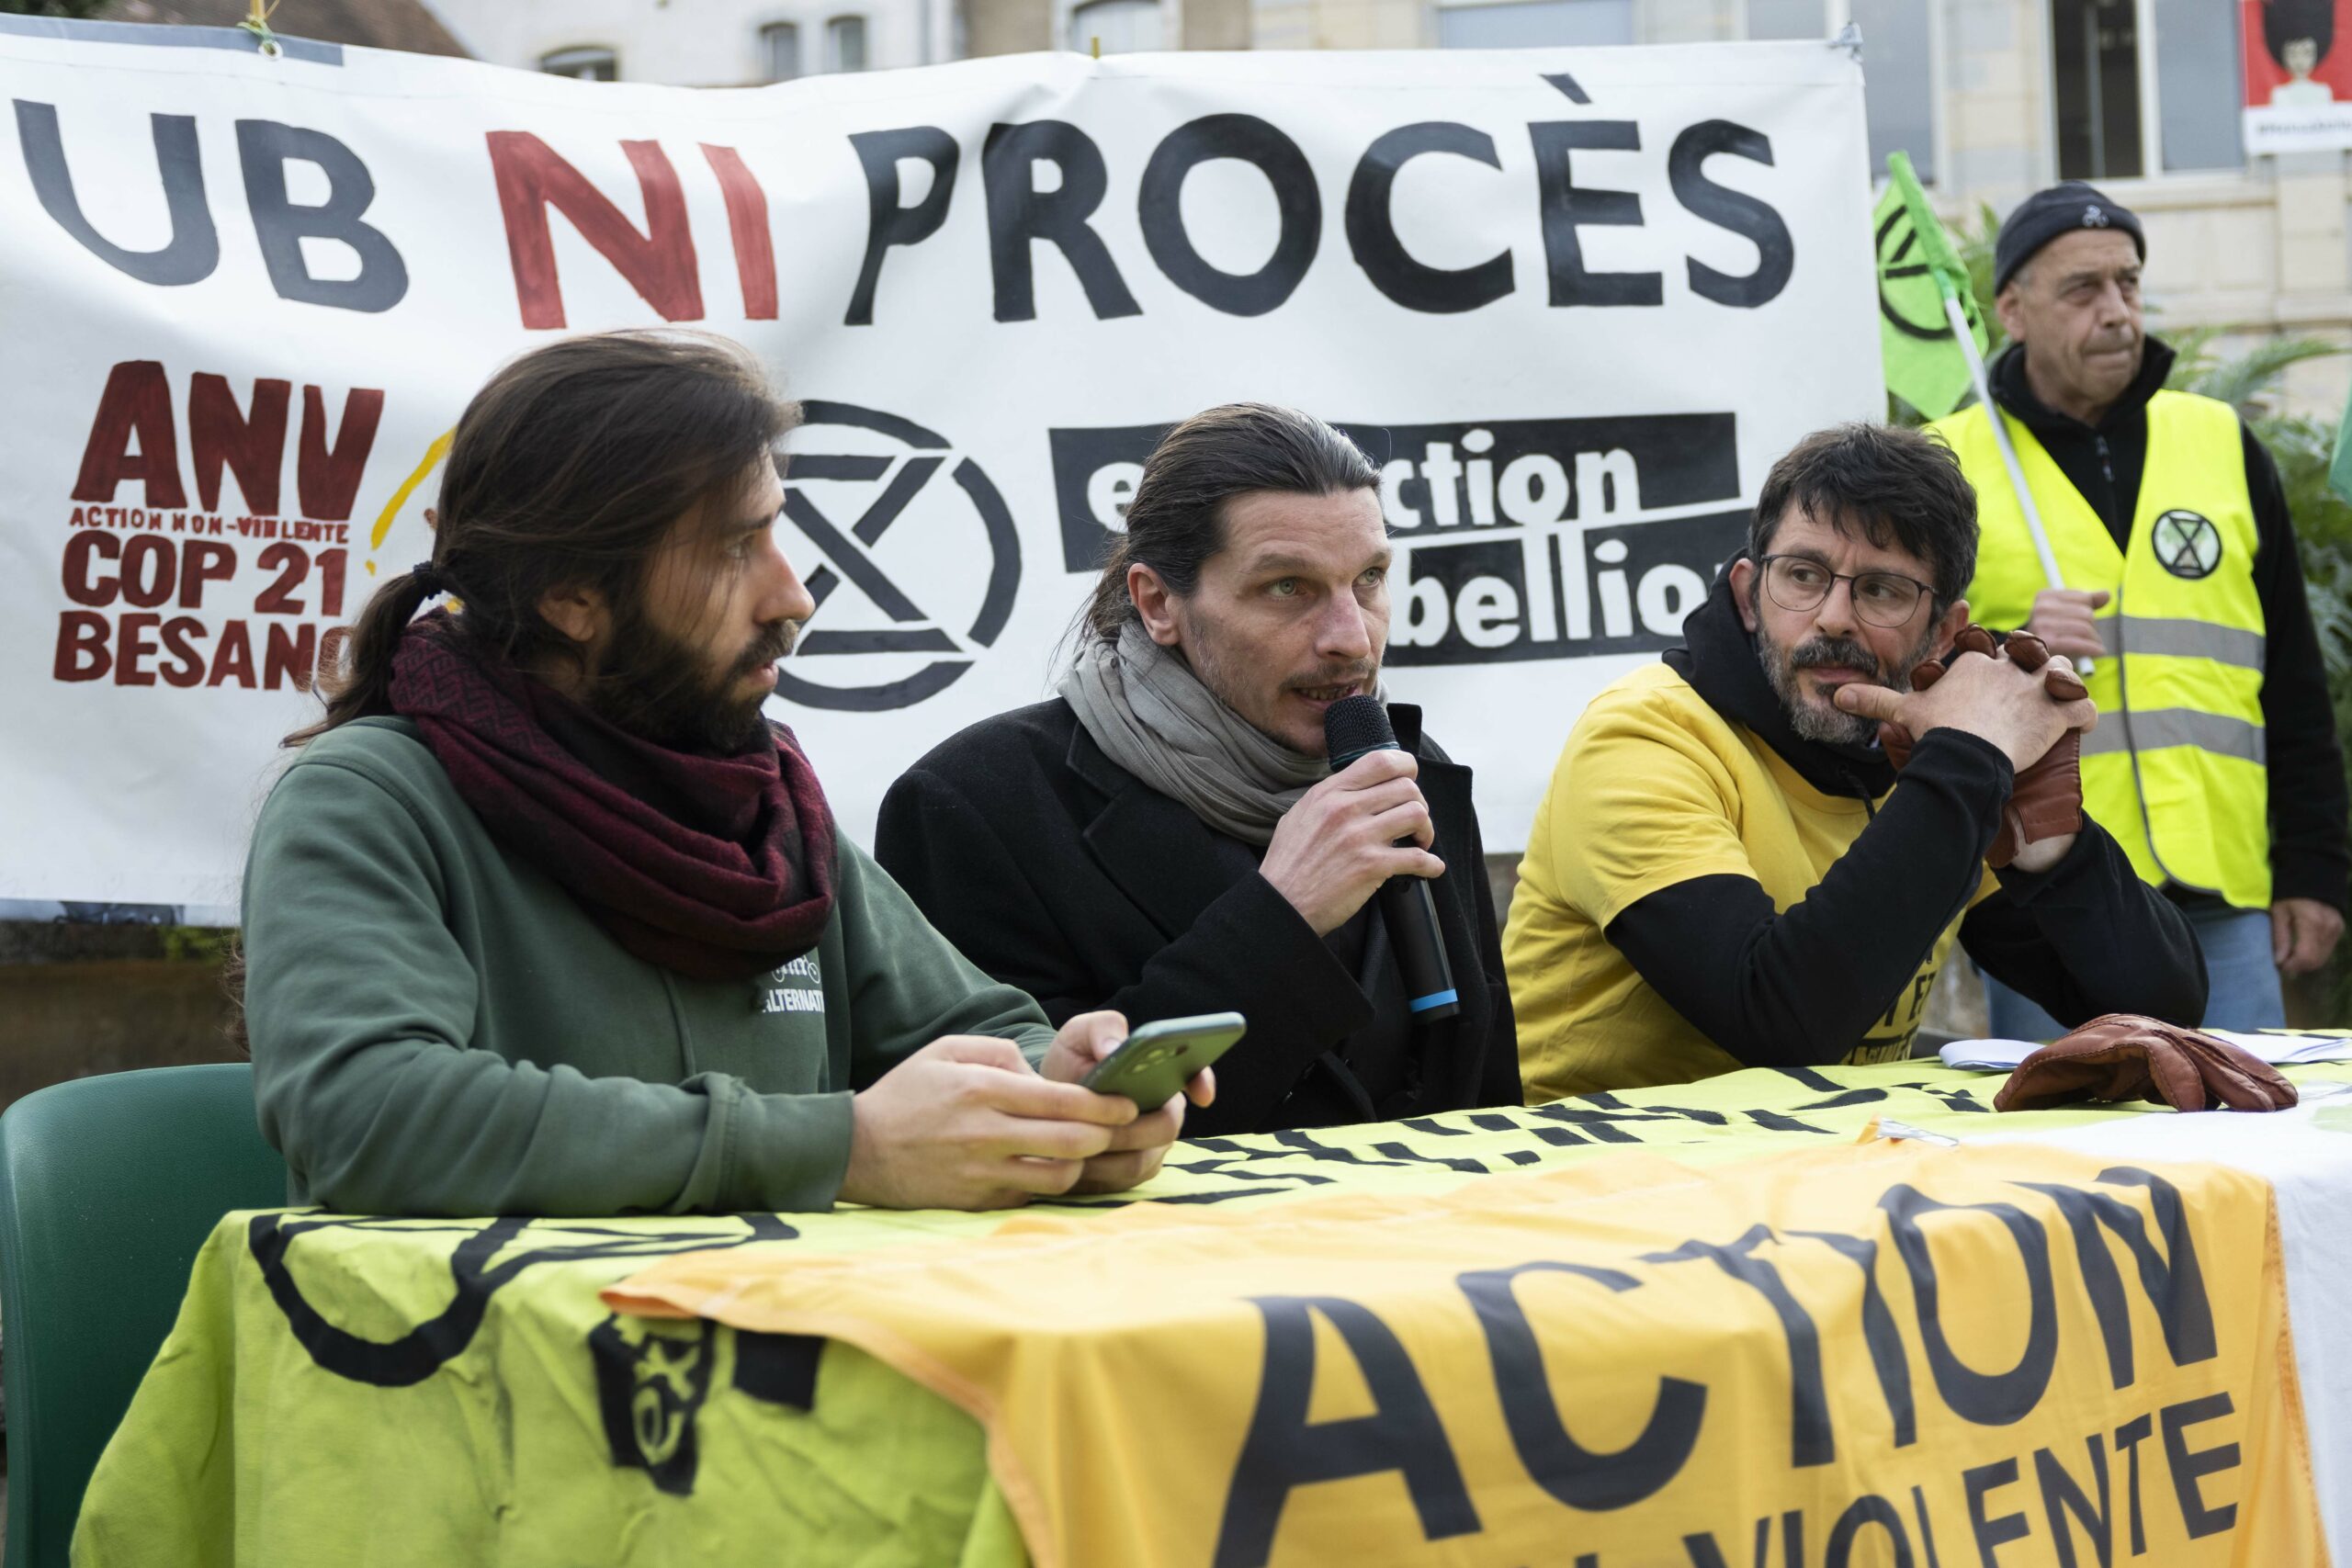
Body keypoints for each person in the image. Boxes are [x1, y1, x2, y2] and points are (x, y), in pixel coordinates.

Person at [240, 332, 1204, 1217]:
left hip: (786, 1365)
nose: (793, 593)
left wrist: (1061, 1102)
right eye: (734, 548)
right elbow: (367, 1116)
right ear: (570, 596)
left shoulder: (762, 802)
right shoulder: (370, 801)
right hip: (487, 1380)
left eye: (774, 534)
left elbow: (976, 1024)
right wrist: (842, 1147)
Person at [1504, 423, 2207, 1099]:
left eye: (1881, 589)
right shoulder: (1644, 736)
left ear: (1944, 634)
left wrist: (2052, 846)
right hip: (1582, 1190)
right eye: (1804, 575)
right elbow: (1775, 1021)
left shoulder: (1925, 756)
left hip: (1812, 1180)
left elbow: (2161, 1007)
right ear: (1750, 596)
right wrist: (1966, 763)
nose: (1834, 616)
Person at [876, 404, 1517, 1134]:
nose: (1350, 637)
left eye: (1368, 579)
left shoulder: (1407, 773)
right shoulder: (977, 804)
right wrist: (1283, 915)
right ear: (1158, 603)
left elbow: (1486, 1102)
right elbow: (1037, 1129)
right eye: (1288, 587)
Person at [1929, 182, 2349, 1034]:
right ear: (2011, 310)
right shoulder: (1950, 463)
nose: (2117, 311)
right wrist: (2014, 644)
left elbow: (2294, 684)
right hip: (2045, 893)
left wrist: (2313, 869)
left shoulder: (2223, 442)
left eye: (2128, 283)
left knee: (2246, 1139)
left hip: (2222, 888)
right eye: (2082, 290)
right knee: (2072, 1152)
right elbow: (1908, 679)